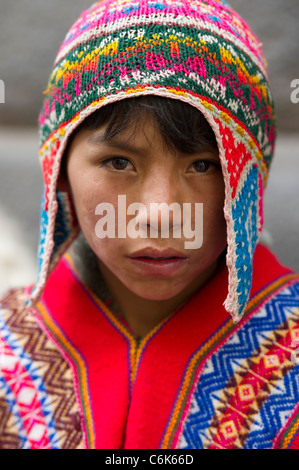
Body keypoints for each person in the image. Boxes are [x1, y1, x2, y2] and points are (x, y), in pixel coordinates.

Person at [0, 0, 298, 450]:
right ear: (57, 169)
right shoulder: (9, 348)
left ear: (250, 180)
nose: (161, 213)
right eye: (118, 162)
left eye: (203, 165)